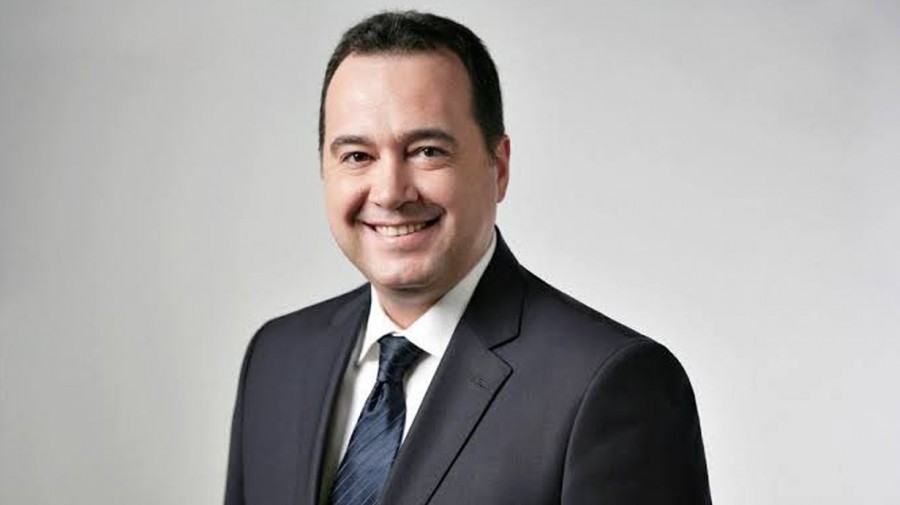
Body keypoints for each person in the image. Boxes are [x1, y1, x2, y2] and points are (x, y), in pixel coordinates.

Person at [225, 10, 711, 505]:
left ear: (497, 168)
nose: (390, 192)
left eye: (427, 151)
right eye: (357, 156)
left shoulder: (612, 383)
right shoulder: (276, 359)